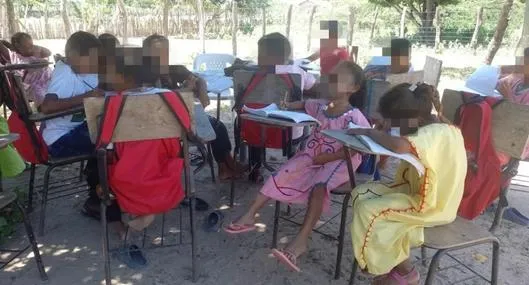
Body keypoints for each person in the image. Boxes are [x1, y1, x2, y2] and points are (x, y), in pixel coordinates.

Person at [225, 61, 370, 272]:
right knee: (282, 172)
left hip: (340, 160)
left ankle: (300, 241)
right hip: (313, 154)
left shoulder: (354, 116)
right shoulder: (322, 105)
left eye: (337, 79)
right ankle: (250, 215)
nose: (329, 81)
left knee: (320, 185)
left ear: (353, 88)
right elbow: (304, 105)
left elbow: (361, 148)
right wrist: (286, 106)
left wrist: (327, 159)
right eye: (330, 76)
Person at [347, 83, 467, 284]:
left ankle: (392, 268)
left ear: (416, 119)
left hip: (433, 205)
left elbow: (400, 145)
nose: (394, 130)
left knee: (370, 210)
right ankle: (401, 268)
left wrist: (370, 132)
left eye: (395, 125)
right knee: (362, 193)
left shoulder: (434, 133)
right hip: (418, 193)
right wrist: (386, 127)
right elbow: (401, 137)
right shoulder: (432, 125)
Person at [39, 31, 121, 222]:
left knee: (111, 135)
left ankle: (102, 189)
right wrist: (87, 97)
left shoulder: (84, 70)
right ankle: (96, 199)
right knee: (108, 144)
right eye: (91, 60)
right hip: (59, 139)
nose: (95, 65)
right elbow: (46, 107)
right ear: (74, 57)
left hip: (76, 129)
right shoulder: (64, 72)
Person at [141, 34, 244, 180]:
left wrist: (202, 92)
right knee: (214, 126)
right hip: (162, 123)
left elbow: (198, 79)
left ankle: (226, 164)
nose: (162, 56)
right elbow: (161, 99)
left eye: (165, 52)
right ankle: (226, 165)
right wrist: (185, 91)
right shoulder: (142, 77)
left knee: (218, 126)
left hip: (182, 116)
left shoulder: (174, 70)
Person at [240, 32, 318, 182]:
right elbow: (313, 86)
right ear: (287, 54)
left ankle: (255, 169)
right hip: (288, 132)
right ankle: (292, 170)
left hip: (257, 129)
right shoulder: (298, 72)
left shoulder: (249, 74)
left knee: (255, 128)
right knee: (302, 128)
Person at [0, 32, 52, 106]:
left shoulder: (34, 54)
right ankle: (44, 108)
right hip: (32, 86)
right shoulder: (15, 57)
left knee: (56, 91)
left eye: (31, 45)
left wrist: (34, 47)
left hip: (47, 80)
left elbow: (48, 52)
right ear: (18, 46)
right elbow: (4, 50)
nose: (31, 48)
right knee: (41, 95)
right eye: (27, 46)